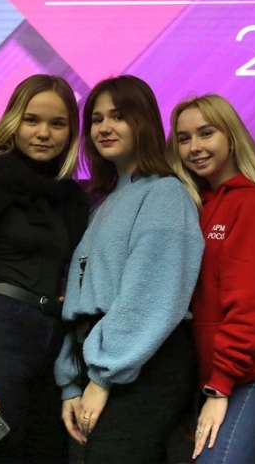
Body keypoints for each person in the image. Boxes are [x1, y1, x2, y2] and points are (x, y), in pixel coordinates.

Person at [55, 75, 203, 463]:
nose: (105, 127)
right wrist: (71, 382)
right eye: (97, 119)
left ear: (144, 122)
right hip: (108, 364)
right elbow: (82, 303)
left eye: (118, 116)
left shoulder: (166, 193)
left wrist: (102, 376)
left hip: (144, 366)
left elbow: (149, 299)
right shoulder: (105, 202)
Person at [0, 75, 89, 462]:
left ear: (71, 131)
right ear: (13, 121)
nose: (43, 133)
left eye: (57, 124)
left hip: (51, 343)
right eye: (31, 120)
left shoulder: (71, 196)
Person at [168, 95, 255, 463]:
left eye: (206, 133)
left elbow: (248, 302)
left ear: (231, 137)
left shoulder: (251, 202)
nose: (194, 147)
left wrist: (219, 386)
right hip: (212, 380)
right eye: (184, 138)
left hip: (249, 377)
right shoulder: (196, 205)